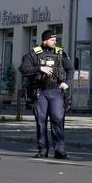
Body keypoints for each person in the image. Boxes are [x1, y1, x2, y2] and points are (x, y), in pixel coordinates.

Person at [19, 29, 71, 159]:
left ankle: (60, 150)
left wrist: (67, 83)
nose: (55, 42)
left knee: (57, 119)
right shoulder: (33, 54)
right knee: (41, 121)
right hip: (40, 91)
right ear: (45, 41)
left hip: (56, 90)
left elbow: (70, 69)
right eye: (52, 40)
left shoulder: (60, 53)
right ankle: (42, 150)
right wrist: (39, 68)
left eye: (55, 40)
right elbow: (23, 69)